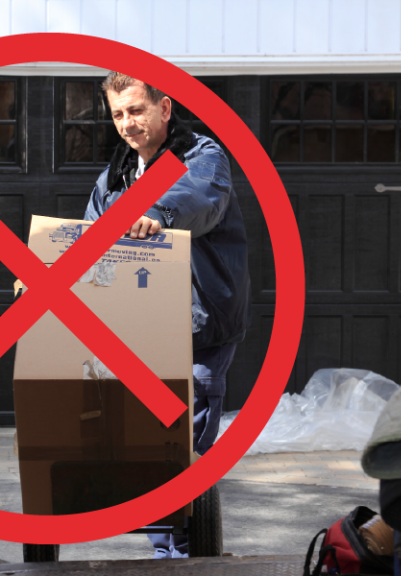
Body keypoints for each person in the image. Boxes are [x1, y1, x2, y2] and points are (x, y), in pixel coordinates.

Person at [83, 72, 252, 559]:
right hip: (142, 326)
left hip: (202, 324)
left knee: (188, 428)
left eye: (136, 110)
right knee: (147, 435)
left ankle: (181, 551)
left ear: (164, 107)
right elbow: (90, 240)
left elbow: (200, 199)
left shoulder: (204, 158)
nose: (127, 124)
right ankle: (170, 547)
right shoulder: (114, 177)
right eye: (118, 114)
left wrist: (159, 210)